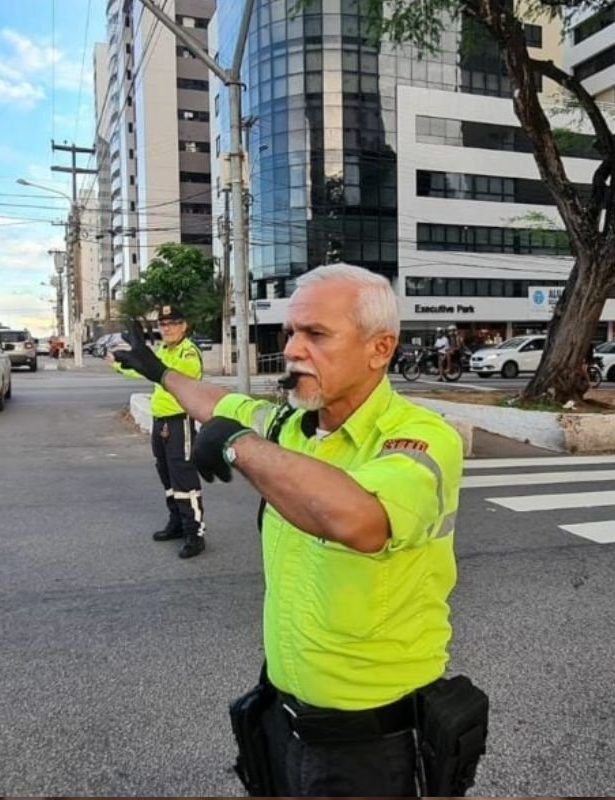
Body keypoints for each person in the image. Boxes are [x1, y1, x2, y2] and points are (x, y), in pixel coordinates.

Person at [112, 264, 483, 796]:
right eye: (290, 333)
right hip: (281, 713)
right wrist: (156, 371)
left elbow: (361, 520)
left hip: (369, 740)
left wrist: (239, 445)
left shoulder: (420, 437)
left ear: (379, 349)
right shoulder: (293, 425)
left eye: (316, 334)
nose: (291, 350)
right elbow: (217, 405)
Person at [109, 304, 207, 559]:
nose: (168, 329)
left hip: (179, 420)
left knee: (183, 476)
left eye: (173, 323)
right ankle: (176, 522)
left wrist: (147, 361)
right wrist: (118, 362)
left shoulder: (189, 352)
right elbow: (144, 369)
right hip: (160, 420)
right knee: (166, 475)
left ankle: (194, 533)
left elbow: (175, 373)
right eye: (163, 325)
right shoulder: (163, 350)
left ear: (184, 326)